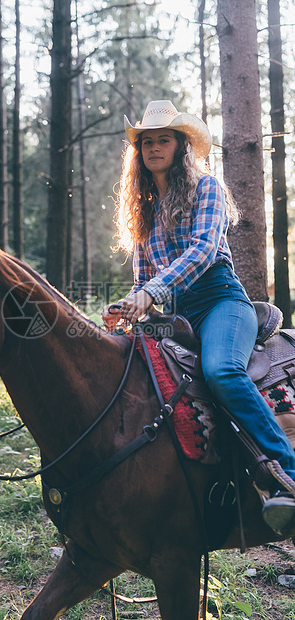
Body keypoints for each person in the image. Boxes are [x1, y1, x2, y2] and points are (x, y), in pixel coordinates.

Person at [101, 99, 295, 535]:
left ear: (181, 146)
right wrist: (127, 305)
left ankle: (288, 470)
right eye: (146, 142)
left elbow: (203, 251)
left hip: (221, 301)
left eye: (162, 139)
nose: (153, 147)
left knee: (222, 370)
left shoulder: (205, 188)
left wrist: (150, 293)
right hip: (177, 314)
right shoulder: (144, 209)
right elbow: (143, 277)